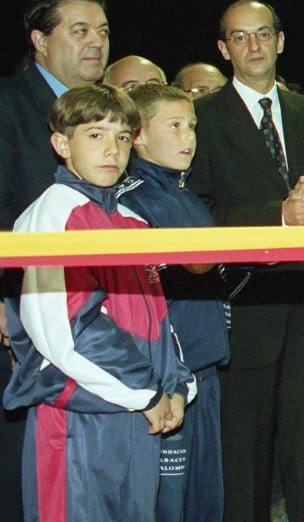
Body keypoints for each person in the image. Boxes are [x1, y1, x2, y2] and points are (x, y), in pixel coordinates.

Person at [186, 0, 304, 522]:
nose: (254, 45)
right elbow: (197, 208)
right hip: (244, 314)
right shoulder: (201, 119)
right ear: (223, 48)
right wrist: (278, 218)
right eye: (240, 37)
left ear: (280, 40)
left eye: (262, 34)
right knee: (243, 467)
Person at [3, 84, 195, 522]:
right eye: (95, 134)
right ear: (61, 143)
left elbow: (159, 320)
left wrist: (177, 387)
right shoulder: (53, 214)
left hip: (139, 415)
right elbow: (70, 333)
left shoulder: (130, 221)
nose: (112, 148)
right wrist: (148, 392)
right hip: (78, 419)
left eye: (123, 137)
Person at [0, 0, 112, 521]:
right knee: (22, 468)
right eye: (80, 30)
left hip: (102, 320)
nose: (97, 42)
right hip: (20, 322)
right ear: (39, 41)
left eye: (103, 31)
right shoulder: (8, 105)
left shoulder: (110, 112)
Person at [117, 83, 230, 522]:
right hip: (167, 378)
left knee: (205, 502)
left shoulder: (188, 200)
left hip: (207, 372)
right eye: (175, 125)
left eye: (193, 126)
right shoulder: (130, 204)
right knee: (166, 503)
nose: (189, 137)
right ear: (138, 134)